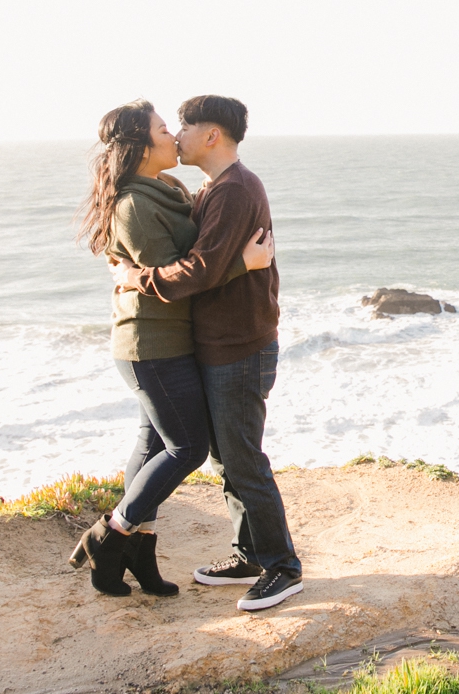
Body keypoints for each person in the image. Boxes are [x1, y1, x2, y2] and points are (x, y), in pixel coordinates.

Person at [68, 99, 274, 598]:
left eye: (177, 127)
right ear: (141, 146)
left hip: (174, 340)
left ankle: (136, 549)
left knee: (155, 443)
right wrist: (239, 266)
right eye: (165, 128)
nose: (173, 135)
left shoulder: (172, 188)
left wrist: (219, 264)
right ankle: (112, 533)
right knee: (189, 447)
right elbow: (186, 278)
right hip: (152, 343)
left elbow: (189, 266)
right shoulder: (134, 206)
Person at [111, 94, 301, 612]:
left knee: (243, 457)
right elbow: (205, 262)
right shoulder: (213, 189)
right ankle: (250, 554)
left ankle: (283, 567)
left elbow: (200, 270)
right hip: (221, 345)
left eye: (185, 127)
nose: (177, 135)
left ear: (211, 135)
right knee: (225, 457)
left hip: (240, 346)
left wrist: (135, 278)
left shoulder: (235, 191)